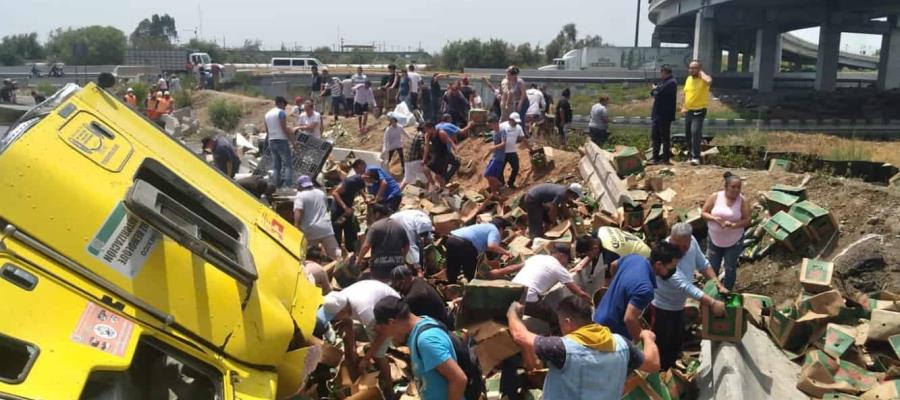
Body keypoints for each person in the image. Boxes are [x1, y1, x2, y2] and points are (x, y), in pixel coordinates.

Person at [507, 296, 660, 399]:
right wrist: (648, 338)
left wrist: (512, 312)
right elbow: (653, 365)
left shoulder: (562, 349)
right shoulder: (622, 344)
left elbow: (520, 336)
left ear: (567, 322)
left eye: (561, 325)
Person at [653, 223, 727, 370]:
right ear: (671, 239)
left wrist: (717, 283)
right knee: (661, 346)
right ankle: (660, 377)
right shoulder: (666, 254)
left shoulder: (692, 242)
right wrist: (712, 303)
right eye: (678, 246)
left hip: (678, 306)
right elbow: (684, 285)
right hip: (661, 307)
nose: (681, 250)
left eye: (685, 246)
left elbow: (703, 265)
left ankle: (671, 374)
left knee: (675, 344)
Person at [374, 297, 467, 400]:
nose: (388, 335)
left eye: (384, 329)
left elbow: (459, 379)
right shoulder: (421, 324)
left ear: (391, 322)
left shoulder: (426, 341)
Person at [321, 280, 400, 395]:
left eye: (334, 317)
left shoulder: (365, 311)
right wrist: (352, 352)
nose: (333, 320)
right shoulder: (340, 300)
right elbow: (348, 324)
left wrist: (366, 358)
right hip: (375, 302)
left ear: (342, 311)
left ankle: (389, 389)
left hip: (392, 308)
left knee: (378, 355)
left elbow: (383, 334)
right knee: (373, 347)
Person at [594, 241, 680, 341]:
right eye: (672, 266)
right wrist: (640, 340)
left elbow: (613, 265)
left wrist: (616, 287)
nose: (674, 269)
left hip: (599, 315)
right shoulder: (645, 289)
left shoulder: (633, 258)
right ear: (659, 264)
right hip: (613, 333)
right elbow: (630, 318)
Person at [512, 243, 593, 322]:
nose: (567, 263)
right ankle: (556, 334)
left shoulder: (537, 257)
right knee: (557, 320)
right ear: (562, 256)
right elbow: (579, 293)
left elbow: (512, 268)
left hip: (512, 293)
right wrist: (593, 303)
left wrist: (499, 272)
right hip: (528, 299)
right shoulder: (559, 268)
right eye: (568, 259)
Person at [701, 171, 750, 290]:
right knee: (712, 267)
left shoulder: (742, 201)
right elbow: (703, 213)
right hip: (714, 240)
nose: (736, 190)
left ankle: (727, 292)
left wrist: (734, 225)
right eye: (733, 187)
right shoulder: (715, 197)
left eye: (738, 187)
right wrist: (714, 218)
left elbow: (747, 220)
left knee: (730, 268)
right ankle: (712, 292)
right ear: (726, 187)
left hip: (734, 242)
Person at [573, 226, 651, 295]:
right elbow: (591, 252)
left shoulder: (611, 255)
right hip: (635, 244)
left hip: (644, 258)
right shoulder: (599, 231)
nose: (588, 257)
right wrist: (582, 264)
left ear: (595, 248)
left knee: (624, 286)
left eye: (588, 254)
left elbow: (608, 283)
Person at [445, 218, 512, 284]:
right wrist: (507, 252)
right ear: (500, 228)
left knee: (453, 266)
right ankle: (471, 289)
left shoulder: (483, 226)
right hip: (465, 244)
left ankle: (450, 286)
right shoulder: (494, 230)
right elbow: (491, 246)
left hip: (452, 239)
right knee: (471, 271)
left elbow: (484, 247)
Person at [294, 175, 342, 261]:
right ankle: (344, 265)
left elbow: (298, 211)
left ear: (300, 186)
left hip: (310, 230)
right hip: (326, 228)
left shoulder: (300, 196)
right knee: (335, 251)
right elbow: (326, 207)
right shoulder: (321, 193)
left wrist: (296, 226)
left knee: (309, 255)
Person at [357, 204, 410, 282]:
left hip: (380, 267)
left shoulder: (375, 226)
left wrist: (358, 260)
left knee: (380, 287)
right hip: (397, 264)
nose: (372, 218)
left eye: (373, 215)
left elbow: (366, 245)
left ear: (377, 214)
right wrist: (402, 258)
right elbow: (407, 245)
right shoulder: (399, 226)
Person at [331, 159, 368, 252]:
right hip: (339, 211)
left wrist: (365, 197)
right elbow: (335, 193)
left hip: (348, 211)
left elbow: (360, 189)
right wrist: (345, 207)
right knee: (337, 232)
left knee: (350, 232)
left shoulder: (361, 181)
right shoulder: (351, 181)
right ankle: (336, 256)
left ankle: (351, 253)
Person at [683, 60, 713, 165]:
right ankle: (690, 156)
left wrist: (702, 74)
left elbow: (709, 81)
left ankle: (696, 157)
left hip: (699, 109)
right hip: (689, 110)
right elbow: (686, 93)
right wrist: (683, 106)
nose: (691, 70)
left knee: (695, 132)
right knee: (688, 134)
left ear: (699, 69)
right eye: (690, 68)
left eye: (694, 68)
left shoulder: (704, 79)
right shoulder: (688, 79)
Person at [264, 96, 295, 189]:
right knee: (288, 164)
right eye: (284, 105)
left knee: (276, 165)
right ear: (281, 103)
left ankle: (276, 186)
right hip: (281, 140)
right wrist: (292, 142)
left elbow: (267, 130)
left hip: (271, 140)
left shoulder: (267, 114)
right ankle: (288, 186)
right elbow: (283, 128)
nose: (284, 108)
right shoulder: (281, 113)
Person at [650, 65, 677, 165]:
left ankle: (666, 159)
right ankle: (655, 158)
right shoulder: (663, 82)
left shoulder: (671, 83)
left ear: (665, 72)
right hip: (657, 114)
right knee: (655, 137)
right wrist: (654, 90)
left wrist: (654, 89)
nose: (660, 75)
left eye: (661, 73)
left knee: (665, 138)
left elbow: (657, 94)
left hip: (664, 115)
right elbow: (654, 93)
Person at [422, 122, 459, 189]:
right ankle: (434, 186)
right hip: (436, 155)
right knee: (425, 169)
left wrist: (456, 151)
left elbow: (450, 142)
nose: (426, 131)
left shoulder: (441, 133)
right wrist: (424, 160)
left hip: (444, 155)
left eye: (427, 129)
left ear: (432, 128)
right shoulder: (427, 135)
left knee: (440, 175)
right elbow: (426, 147)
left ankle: (443, 188)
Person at [499, 113, 529, 189]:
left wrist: (530, 148)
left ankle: (510, 183)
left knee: (516, 167)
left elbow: (523, 138)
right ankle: (502, 184)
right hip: (502, 152)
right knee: (500, 169)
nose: (516, 123)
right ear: (510, 119)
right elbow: (497, 137)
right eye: (514, 121)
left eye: (517, 122)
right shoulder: (502, 126)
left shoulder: (518, 127)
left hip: (512, 151)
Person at [401, 126, 432, 190]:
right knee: (427, 179)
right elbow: (424, 147)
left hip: (407, 161)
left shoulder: (414, 134)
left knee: (407, 180)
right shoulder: (421, 136)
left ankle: (397, 193)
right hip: (414, 161)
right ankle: (426, 195)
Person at [483, 116, 506, 197]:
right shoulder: (494, 133)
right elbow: (494, 145)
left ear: (495, 123)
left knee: (487, 174)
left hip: (499, 157)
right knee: (490, 177)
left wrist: (493, 148)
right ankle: (494, 193)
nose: (489, 127)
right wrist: (488, 154)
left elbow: (503, 144)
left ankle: (501, 185)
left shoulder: (502, 131)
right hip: (494, 156)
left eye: (490, 125)